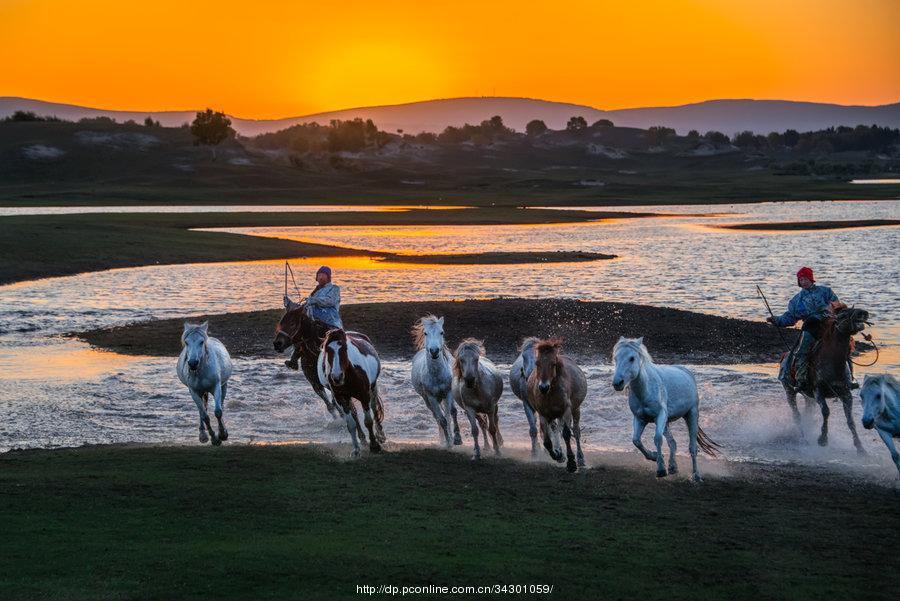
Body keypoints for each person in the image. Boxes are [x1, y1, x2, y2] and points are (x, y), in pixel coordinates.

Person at [766, 266, 845, 390]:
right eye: (801, 279)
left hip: (829, 326)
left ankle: (848, 378)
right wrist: (776, 320)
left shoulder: (826, 291)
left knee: (844, 347)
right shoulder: (796, 301)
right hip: (811, 328)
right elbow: (791, 317)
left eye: (806, 278)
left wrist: (834, 310)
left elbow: (837, 305)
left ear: (811, 279)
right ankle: (801, 378)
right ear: (798, 282)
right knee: (802, 351)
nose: (803, 281)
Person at [283, 266, 343, 370]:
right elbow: (303, 308)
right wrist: (289, 304)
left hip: (330, 322)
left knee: (316, 328)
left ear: (328, 277)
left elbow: (330, 301)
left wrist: (314, 300)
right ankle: (294, 360)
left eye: (323, 275)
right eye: (319, 275)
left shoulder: (334, 288)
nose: (320, 277)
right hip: (314, 321)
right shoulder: (314, 293)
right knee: (301, 331)